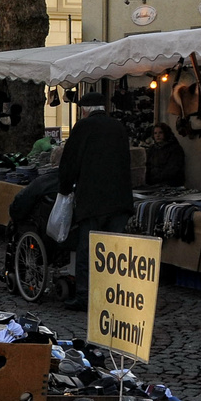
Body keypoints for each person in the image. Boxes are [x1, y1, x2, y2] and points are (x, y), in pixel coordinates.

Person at [57, 91, 133, 310]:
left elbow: (70, 163)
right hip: (119, 200)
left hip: (94, 201)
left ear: (84, 110)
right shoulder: (118, 127)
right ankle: (114, 296)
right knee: (114, 252)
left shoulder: (83, 128)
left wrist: (64, 189)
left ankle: (85, 296)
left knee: (89, 251)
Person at [143, 122, 185, 187]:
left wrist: (156, 179)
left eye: (160, 132)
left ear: (166, 133)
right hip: (153, 184)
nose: (157, 135)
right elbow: (148, 166)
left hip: (170, 184)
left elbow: (173, 169)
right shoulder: (152, 149)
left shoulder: (175, 149)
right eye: (155, 133)